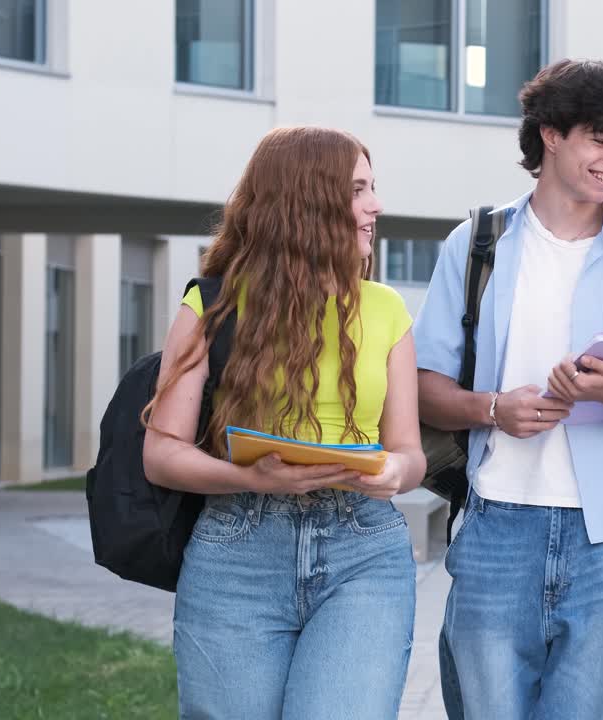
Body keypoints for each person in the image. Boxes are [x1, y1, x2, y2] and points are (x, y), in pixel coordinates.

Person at [415, 59, 603, 719]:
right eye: (601, 139)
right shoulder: (477, 245)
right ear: (550, 134)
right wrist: (493, 409)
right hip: (495, 527)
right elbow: (421, 389)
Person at [142, 126, 425, 719]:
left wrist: (392, 471)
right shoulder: (212, 306)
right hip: (238, 550)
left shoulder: (387, 309)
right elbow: (162, 453)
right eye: (357, 190)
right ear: (306, 202)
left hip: (363, 549)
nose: (375, 205)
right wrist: (255, 479)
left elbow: (409, 452)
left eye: (374, 188)